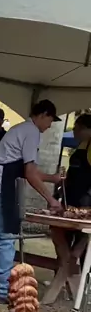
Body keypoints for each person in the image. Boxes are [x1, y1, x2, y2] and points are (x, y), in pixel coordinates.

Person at [0, 99, 63, 302]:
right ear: (43, 114)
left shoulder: (20, 128)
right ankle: (3, 290)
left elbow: (29, 171)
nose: (49, 126)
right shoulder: (32, 131)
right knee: (5, 236)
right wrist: (51, 199)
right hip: (1, 186)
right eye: (50, 120)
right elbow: (30, 173)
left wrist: (52, 178)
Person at [51, 113, 91, 267]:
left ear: (86, 129)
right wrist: (61, 187)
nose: (74, 131)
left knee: (82, 238)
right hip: (70, 199)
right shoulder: (80, 146)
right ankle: (63, 270)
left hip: (85, 202)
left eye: (77, 128)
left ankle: (76, 271)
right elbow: (71, 173)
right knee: (61, 234)